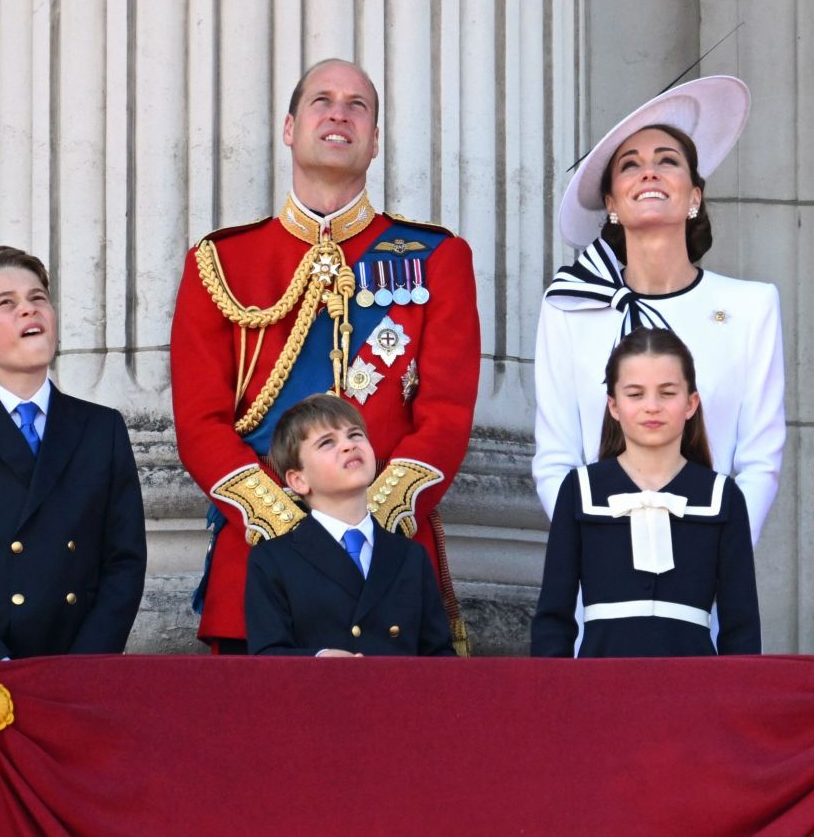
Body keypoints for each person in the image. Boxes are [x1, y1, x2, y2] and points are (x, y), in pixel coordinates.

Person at [171, 58, 480, 654]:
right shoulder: (220, 263)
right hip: (259, 559)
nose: (339, 112)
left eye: (357, 104)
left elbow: (445, 414)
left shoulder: (438, 257)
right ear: (290, 128)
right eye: (322, 100)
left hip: (386, 565)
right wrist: (291, 530)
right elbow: (199, 423)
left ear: (375, 141)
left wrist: (370, 516)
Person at [533, 76, 784, 546]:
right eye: (630, 165)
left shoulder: (751, 307)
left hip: (709, 576)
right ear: (611, 203)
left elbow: (759, 460)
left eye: (667, 161)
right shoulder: (569, 308)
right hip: (600, 580)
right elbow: (555, 460)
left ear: (694, 196)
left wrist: (715, 559)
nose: (649, 172)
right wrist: (598, 555)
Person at [0, 246, 147, 659]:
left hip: (78, 669)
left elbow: (124, 562)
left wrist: (85, 664)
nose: (29, 310)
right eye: (7, 303)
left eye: (38, 298)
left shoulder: (101, 428)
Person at [531, 328, 760, 657]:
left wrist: (734, 704)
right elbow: (553, 619)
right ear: (613, 405)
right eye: (635, 394)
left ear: (691, 403)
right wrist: (555, 699)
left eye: (667, 393)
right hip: (598, 688)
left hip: (694, 693)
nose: (652, 407)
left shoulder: (723, 496)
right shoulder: (579, 490)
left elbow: (742, 629)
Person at [245, 394, 455, 656]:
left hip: (399, 695)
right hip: (318, 695)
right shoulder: (273, 559)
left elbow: (439, 658)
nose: (348, 446)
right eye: (327, 443)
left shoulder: (411, 556)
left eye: (355, 435)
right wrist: (318, 660)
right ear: (298, 480)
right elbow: (266, 657)